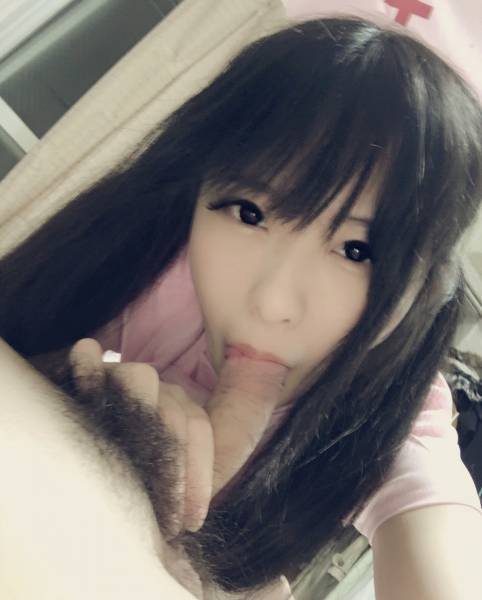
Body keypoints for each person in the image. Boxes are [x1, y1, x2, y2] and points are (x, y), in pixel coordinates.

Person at [1, 15, 481, 599]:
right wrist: (79, 403)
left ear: (425, 285)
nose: (273, 301)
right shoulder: (147, 265)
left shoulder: (390, 410)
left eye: (357, 251)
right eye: (249, 213)